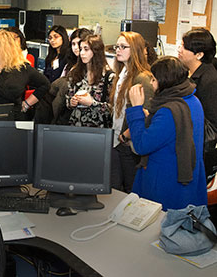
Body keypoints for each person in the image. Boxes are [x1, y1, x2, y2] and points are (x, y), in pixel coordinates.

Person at [126, 56, 207, 210]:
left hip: (165, 181)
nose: (151, 83)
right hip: (187, 179)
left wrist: (136, 109)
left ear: (165, 82)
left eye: (154, 79)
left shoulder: (169, 111)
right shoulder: (193, 100)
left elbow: (142, 145)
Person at [110, 31, 154, 193]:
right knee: (116, 189)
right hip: (117, 140)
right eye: (117, 47)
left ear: (135, 50)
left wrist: (126, 136)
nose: (118, 50)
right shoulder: (122, 73)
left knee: (130, 190)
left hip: (129, 143)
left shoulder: (142, 77)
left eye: (123, 47)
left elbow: (147, 113)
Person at [178, 28, 217, 179]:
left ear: (199, 55)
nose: (179, 49)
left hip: (197, 150)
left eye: (184, 47)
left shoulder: (210, 80)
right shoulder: (189, 73)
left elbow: (212, 124)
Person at [66, 35, 114, 128]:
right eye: (81, 49)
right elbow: (68, 98)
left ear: (96, 51)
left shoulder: (109, 77)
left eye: (86, 49)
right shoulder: (75, 73)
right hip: (76, 124)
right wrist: (71, 102)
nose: (81, 53)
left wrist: (92, 103)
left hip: (98, 129)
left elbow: (113, 109)